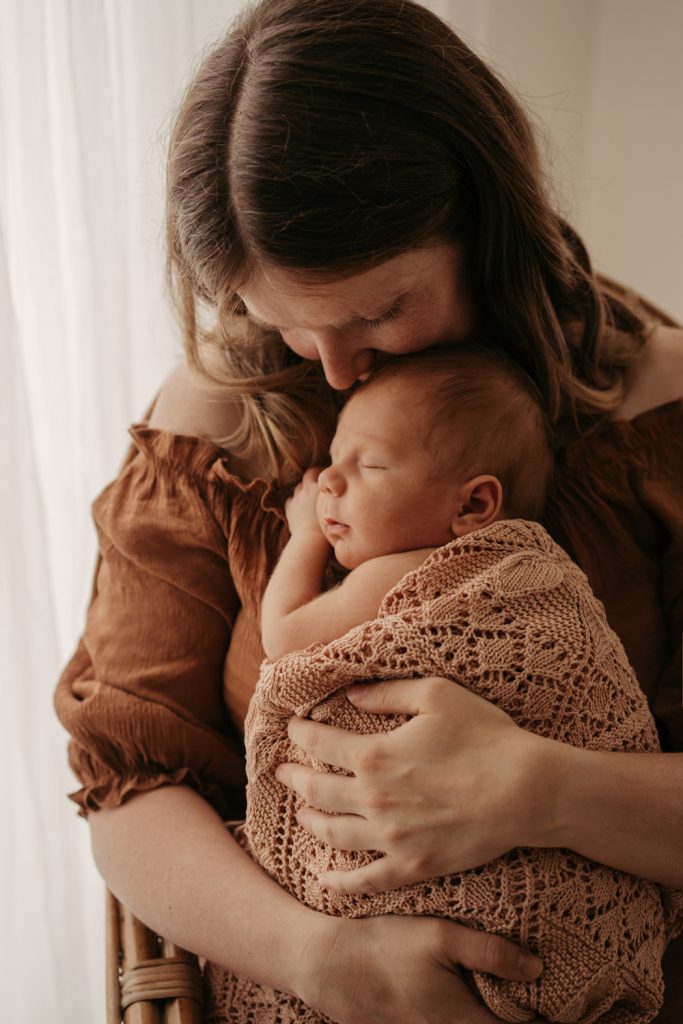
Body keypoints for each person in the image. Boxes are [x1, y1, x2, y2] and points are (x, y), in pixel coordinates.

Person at [53, 1, 683, 1021]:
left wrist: (539, 789)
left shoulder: (659, 413)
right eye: (285, 323)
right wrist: (323, 960)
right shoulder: (216, 424)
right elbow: (127, 784)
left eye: (376, 312)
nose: (336, 371)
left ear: (485, 226)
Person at [208, 346, 676, 1023]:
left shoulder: (403, 571)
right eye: (335, 458)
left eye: (368, 465)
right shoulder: (545, 576)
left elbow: (285, 636)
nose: (330, 480)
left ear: (474, 504)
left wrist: (303, 533)